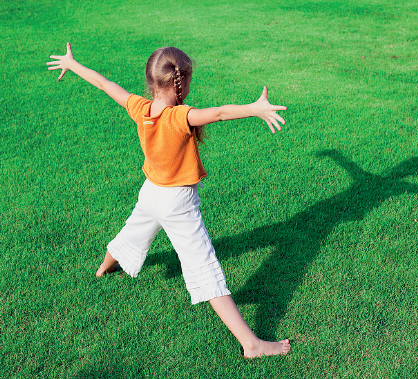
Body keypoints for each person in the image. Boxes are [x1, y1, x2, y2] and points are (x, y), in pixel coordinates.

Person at [47, 43, 290, 358]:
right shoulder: (180, 117)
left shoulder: (139, 107)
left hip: (150, 192)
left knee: (133, 231)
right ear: (182, 82)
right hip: (178, 203)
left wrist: (73, 63)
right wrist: (255, 108)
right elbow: (217, 113)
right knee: (204, 268)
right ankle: (252, 344)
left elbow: (104, 84)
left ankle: (103, 270)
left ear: (151, 84)